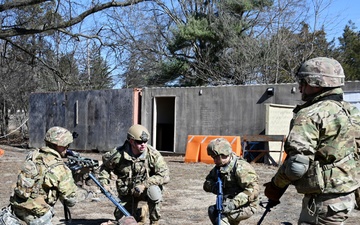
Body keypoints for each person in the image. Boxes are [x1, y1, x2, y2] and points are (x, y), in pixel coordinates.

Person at [264, 57, 360, 225]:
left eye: (303, 82)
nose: (300, 87)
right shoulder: (351, 111)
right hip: (346, 196)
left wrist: (275, 187)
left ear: (315, 83)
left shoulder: (310, 114)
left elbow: (296, 166)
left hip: (324, 200)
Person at [98, 124, 170, 225]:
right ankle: (141, 213)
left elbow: (164, 175)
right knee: (123, 220)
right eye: (140, 142)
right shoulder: (118, 154)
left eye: (145, 142)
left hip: (145, 190)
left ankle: (154, 221)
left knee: (154, 192)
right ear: (131, 141)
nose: (143, 145)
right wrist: (104, 183)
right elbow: (104, 168)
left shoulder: (152, 154)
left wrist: (144, 185)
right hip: (127, 192)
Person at [9, 126, 78, 225]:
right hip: (37, 216)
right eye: (66, 145)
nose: (67, 148)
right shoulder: (60, 168)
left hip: (17, 208)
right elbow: (71, 201)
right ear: (58, 145)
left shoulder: (33, 155)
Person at [203, 138, 259, 225]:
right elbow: (207, 183)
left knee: (220, 218)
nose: (214, 161)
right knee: (213, 210)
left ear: (224, 154)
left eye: (216, 157)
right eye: (213, 158)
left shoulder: (241, 168)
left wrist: (233, 204)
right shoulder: (220, 167)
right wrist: (214, 187)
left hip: (246, 205)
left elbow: (252, 191)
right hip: (228, 202)